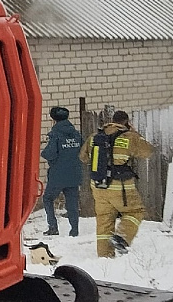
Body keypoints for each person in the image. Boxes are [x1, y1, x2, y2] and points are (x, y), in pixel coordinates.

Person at [83, 109, 155, 257]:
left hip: (98, 185)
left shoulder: (95, 136)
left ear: (111, 121)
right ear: (126, 122)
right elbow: (148, 151)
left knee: (104, 220)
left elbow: (83, 157)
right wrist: (135, 133)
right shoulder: (129, 137)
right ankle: (121, 238)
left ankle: (105, 257)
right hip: (120, 186)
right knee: (135, 211)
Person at [39, 106, 83, 236]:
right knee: (72, 203)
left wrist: (45, 154)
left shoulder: (55, 135)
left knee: (47, 198)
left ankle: (53, 227)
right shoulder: (76, 134)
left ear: (53, 120)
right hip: (74, 173)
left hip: (58, 174)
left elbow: (50, 153)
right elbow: (83, 150)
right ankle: (74, 230)